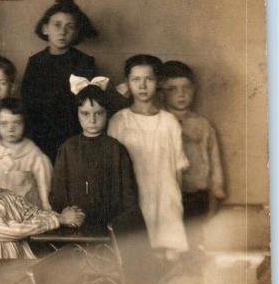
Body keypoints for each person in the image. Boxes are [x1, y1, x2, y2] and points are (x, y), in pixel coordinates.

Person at [108, 55, 189, 259]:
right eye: (136, 79)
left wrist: (175, 206)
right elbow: (111, 168)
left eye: (149, 79)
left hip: (165, 201)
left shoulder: (169, 122)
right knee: (139, 260)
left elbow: (178, 169)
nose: (142, 86)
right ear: (127, 82)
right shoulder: (119, 121)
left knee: (167, 263)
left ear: (158, 82)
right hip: (133, 201)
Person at [0, 147, 84, 267]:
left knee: (66, 267)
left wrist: (62, 216)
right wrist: (60, 220)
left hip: (16, 268)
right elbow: (14, 230)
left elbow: (33, 213)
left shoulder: (7, 196)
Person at [50, 76, 141, 229]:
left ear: (107, 114)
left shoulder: (115, 149)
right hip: (75, 225)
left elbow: (128, 194)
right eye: (85, 113)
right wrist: (65, 213)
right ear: (77, 113)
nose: (92, 120)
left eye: (98, 113)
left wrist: (120, 222)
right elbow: (58, 192)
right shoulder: (68, 148)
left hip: (110, 225)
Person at [21, 0, 98, 161]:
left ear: (77, 32)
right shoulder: (35, 62)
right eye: (57, 25)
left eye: (69, 27)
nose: (62, 32)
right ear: (45, 28)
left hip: (74, 136)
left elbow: (89, 105)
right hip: (40, 136)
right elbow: (27, 103)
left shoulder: (84, 62)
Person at [160, 61, 225, 220]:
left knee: (194, 237)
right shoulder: (159, 123)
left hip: (197, 194)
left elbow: (214, 159)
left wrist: (217, 189)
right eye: (172, 89)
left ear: (194, 89)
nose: (181, 94)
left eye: (186, 88)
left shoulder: (203, 125)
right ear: (161, 93)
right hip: (166, 194)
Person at [0, 98, 52, 209]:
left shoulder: (35, 156)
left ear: (25, 124)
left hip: (27, 213)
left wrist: (46, 209)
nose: (10, 129)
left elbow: (45, 194)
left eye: (16, 123)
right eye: (4, 124)